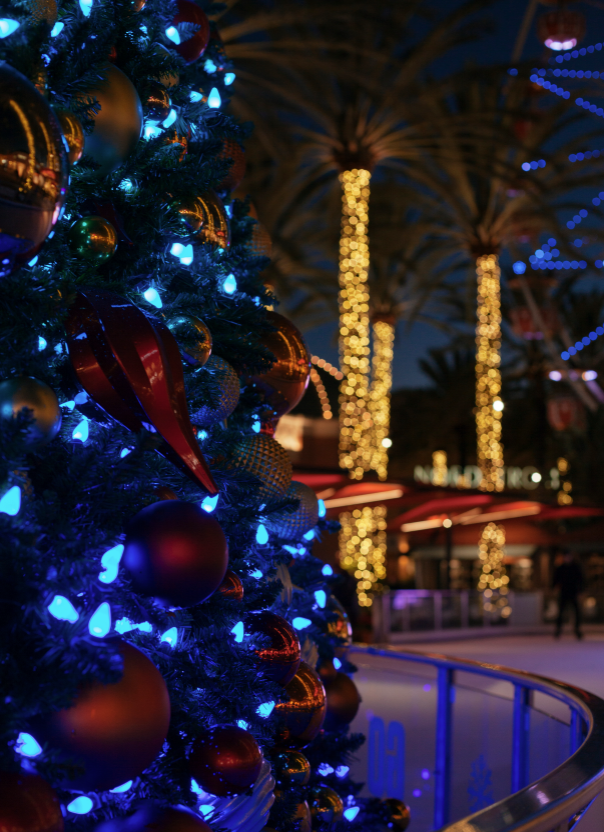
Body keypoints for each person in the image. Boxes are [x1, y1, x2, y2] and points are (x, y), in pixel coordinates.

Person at [553, 550, 584, 639]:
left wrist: (580, 591)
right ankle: (558, 630)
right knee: (561, 612)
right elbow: (555, 580)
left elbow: (581, 580)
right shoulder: (560, 568)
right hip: (564, 593)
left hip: (573, 592)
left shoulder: (575, 568)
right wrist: (554, 588)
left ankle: (577, 630)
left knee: (577, 612)